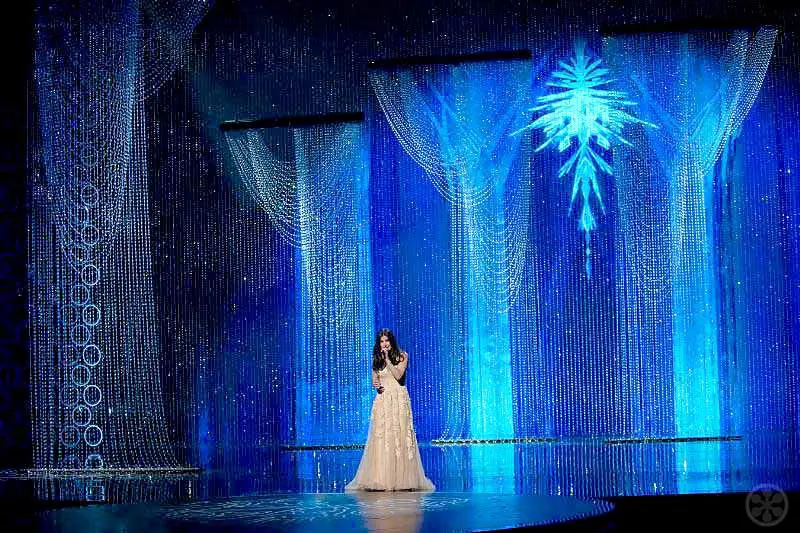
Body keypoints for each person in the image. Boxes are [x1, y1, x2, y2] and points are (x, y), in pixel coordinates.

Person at [345, 328, 434, 492]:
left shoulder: (402, 356)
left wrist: (387, 359)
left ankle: (402, 479)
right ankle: (380, 478)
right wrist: (375, 384)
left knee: (399, 436)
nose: (384, 344)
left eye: (387, 341)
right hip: (383, 401)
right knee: (382, 438)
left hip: (399, 399)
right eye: (381, 341)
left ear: (391, 342)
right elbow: (375, 378)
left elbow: (398, 375)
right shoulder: (376, 359)